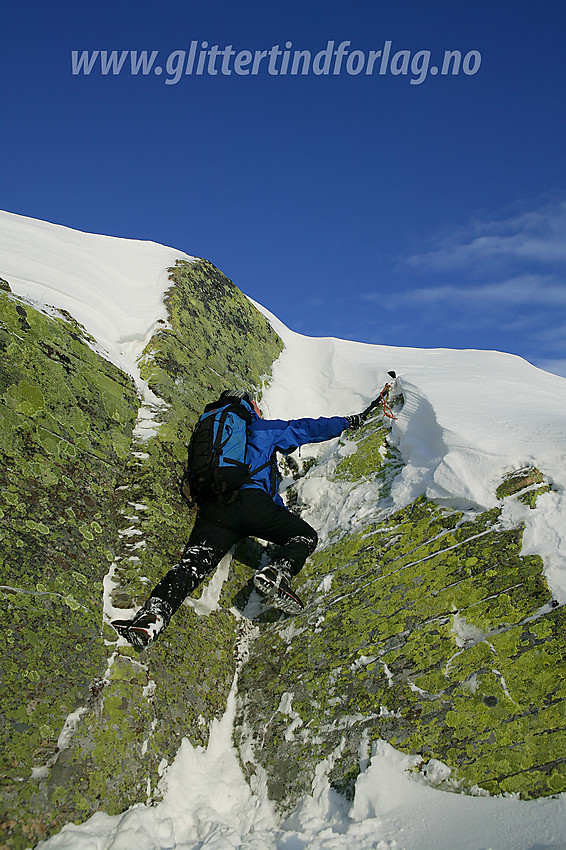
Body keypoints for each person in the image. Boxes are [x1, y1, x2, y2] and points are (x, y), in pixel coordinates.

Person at [112, 390, 364, 649]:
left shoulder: (208, 433)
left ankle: (153, 616)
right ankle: (278, 572)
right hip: (252, 505)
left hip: (214, 511)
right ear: (249, 406)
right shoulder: (260, 429)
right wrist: (348, 422)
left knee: (191, 566)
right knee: (305, 536)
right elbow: (305, 429)